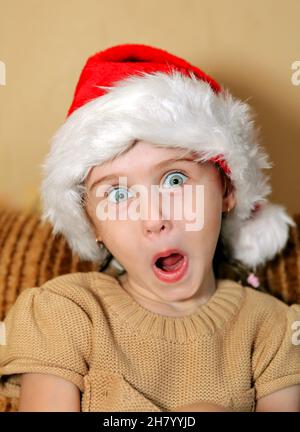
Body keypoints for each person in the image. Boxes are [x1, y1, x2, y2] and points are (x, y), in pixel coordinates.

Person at [0, 43, 299, 412]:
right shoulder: (65, 312)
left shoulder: (273, 330)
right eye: (119, 193)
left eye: (175, 180)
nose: (154, 218)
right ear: (91, 222)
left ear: (227, 190)